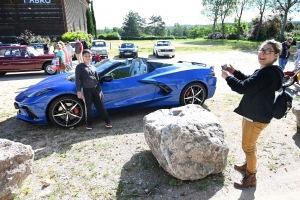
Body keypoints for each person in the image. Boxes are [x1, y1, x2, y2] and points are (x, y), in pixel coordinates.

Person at [221, 39, 283, 188]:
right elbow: (249, 81)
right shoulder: (265, 71)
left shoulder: (268, 73)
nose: (262, 53)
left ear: (276, 55)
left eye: (268, 51)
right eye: (261, 49)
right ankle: (248, 164)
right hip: (253, 114)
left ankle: (251, 177)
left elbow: (243, 88)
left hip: (256, 117)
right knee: (251, 145)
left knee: (248, 147)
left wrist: (227, 77)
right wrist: (234, 72)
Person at [75, 49, 112, 130]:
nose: (88, 57)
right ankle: (89, 123)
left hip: (95, 89)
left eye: (89, 56)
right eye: (86, 56)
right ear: (83, 57)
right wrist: (78, 91)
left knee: (100, 106)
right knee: (88, 107)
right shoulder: (79, 67)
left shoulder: (93, 67)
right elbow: (77, 79)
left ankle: (107, 121)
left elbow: (97, 80)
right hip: (86, 89)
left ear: (91, 57)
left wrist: (100, 90)